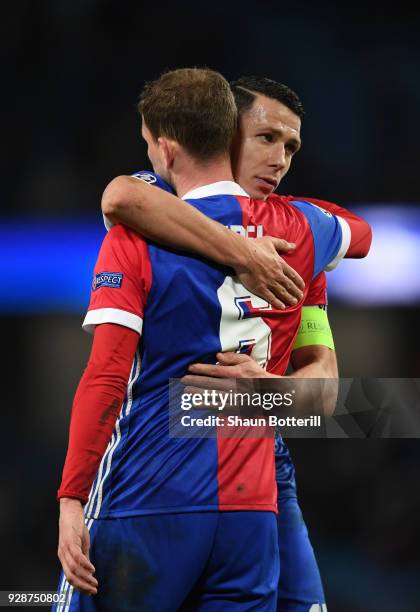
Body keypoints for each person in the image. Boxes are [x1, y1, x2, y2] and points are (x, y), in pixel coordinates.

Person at [56, 68, 364, 612]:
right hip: (245, 493)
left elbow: (326, 399)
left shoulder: (296, 238)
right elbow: (122, 193)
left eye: (291, 145)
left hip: (224, 469)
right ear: (225, 133)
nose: (281, 158)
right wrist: (241, 249)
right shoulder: (301, 233)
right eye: (267, 138)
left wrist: (270, 393)